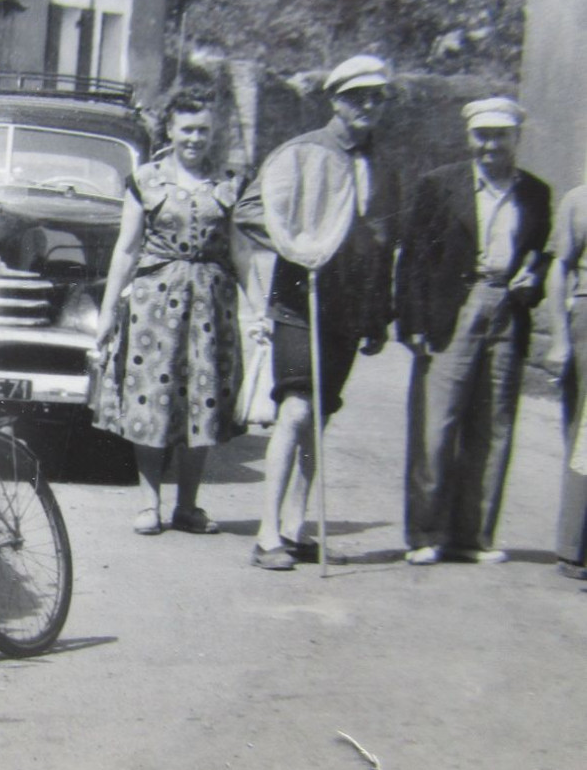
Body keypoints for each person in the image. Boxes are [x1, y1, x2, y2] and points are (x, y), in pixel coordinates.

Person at [235, 55, 401, 571]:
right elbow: (249, 211)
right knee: (297, 409)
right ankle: (266, 536)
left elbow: (382, 244)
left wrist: (377, 316)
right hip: (298, 298)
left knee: (319, 419)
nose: (368, 105)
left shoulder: (385, 167)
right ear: (336, 100)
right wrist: (299, 243)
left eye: (376, 97)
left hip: (350, 309)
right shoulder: (301, 152)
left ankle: (295, 528)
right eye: (357, 96)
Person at [394, 98, 551, 565]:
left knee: (492, 425)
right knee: (436, 424)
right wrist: (414, 323)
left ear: (516, 139)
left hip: (507, 307)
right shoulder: (439, 186)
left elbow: (539, 254)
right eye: (482, 134)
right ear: (469, 137)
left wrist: (533, 277)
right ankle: (425, 534)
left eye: (501, 135)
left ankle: (472, 536)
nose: (491, 145)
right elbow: (414, 259)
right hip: (454, 309)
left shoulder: (536, 193)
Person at [90, 87, 244, 535]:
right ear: (171, 130)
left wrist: (257, 316)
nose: (195, 138)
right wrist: (105, 316)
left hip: (212, 306)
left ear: (214, 134)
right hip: (154, 304)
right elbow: (127, 248)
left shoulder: (230, 184)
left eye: (204, 130)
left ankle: (188, 506)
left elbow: (241, 251)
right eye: (188, 129)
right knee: (151, 399)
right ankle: (150, 503)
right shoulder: (147, 180)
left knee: (203, 399)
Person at [547, 184, 587, 578]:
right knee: (585, 435)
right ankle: (574, 549)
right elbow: (561, 268)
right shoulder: (579, 200)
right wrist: (560, 338)